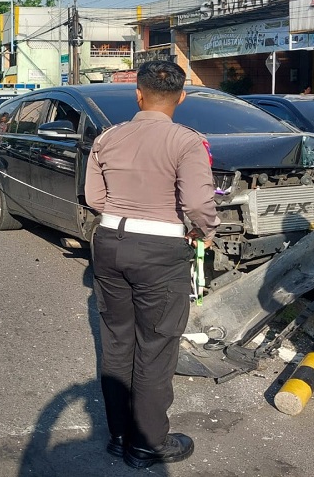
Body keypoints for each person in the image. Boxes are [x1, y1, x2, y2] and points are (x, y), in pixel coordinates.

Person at [83, 60, 219, 470]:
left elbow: (93, 197)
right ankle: (146, 444)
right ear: (182, 96)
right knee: (157, 346)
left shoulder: (108, 138)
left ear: (138, 95)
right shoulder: (186, 141)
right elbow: (197, 203)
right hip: (159, 250)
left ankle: (120, 434)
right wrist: (205, 229)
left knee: (118, 341)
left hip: (108, 242)